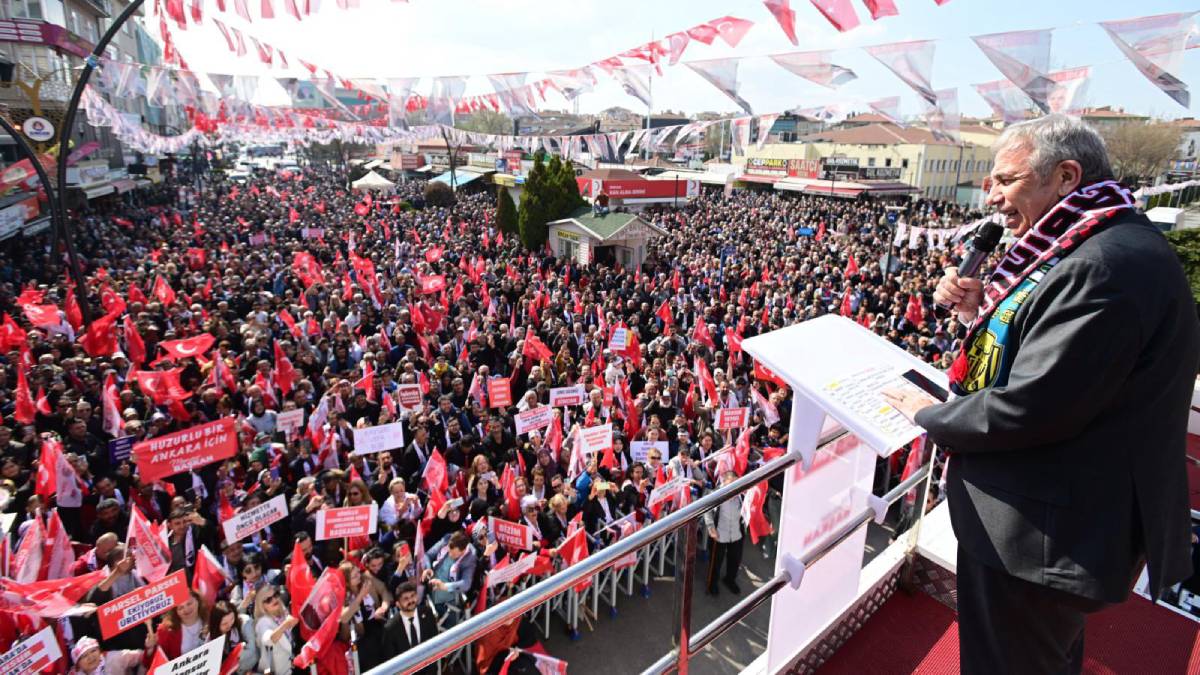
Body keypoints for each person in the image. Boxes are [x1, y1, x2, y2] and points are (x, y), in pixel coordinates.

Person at [885, 114, 1200, 675]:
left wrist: (930, 414)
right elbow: (1057, 360)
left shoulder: (1102, 265)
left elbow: (1034, 406)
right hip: (1053, 521)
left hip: (1044, 538)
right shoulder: (1090, 242)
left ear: (1066, 176)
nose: (992, 195)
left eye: (1006, 179)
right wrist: (976, 312)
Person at [382, 581, 440, 674]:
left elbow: (434, 642)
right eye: (405, 599)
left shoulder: (427, 614)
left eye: (413, 596)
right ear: (398, 604)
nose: (410, 601)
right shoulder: (390, 628)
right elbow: (390, 660)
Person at [703, 470, 744, 596]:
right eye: (731, 483)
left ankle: (729, 580)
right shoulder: (715, 494)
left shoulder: (742, 494)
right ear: (723, 481)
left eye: (736, 483)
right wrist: (711, 527)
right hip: (719, 534)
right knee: (716, 562)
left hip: (736, 534)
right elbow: (707, 511)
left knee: (735, 559)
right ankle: (712, 584)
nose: (734, 487)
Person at [253, 585, 298, 675]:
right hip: (277, 672)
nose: (274, 600)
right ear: (262, 606)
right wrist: (285, 625)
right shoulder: (263, 622)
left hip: (291, 667)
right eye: (268, 600)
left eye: (276, 595)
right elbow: (268, 640)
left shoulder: (283, 611)